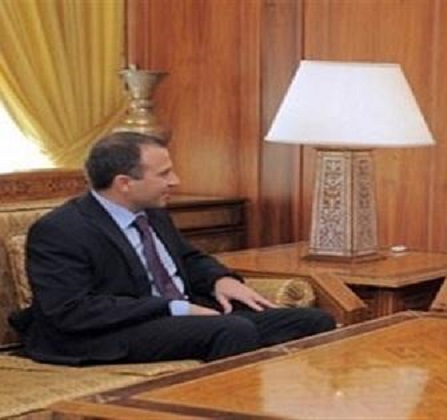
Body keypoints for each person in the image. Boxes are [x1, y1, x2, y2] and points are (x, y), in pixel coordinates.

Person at [13, 132, 335, 365]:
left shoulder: (152, 211)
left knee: (312, 321)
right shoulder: (61, 230)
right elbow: (72, 311)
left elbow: (188, 258)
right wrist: (172, 308)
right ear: (124, 183)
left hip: (172, 316)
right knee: (231, 331)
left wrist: (219, 279)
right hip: (107, 332)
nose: (176, 181)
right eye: (164, 174)